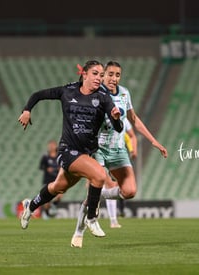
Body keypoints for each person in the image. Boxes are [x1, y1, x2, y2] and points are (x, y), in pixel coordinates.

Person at [18, 60, 123, 237]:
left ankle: (31, 206)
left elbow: (119, 127)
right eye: (95, 74)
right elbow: (38, 94)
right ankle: (91, 218)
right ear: (85, 74)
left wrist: (115, 118)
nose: (100, 78)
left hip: (86, 153)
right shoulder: (68, 91)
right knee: (99, 175)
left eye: (101, 74)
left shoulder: (104, 98)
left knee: (57, 188)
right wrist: (27, 110)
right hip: (67, 151)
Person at [71, 61, 168, 248]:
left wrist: (153, 140)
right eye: (110, 74)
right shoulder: (95, 92)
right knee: (97, 182)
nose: (113, 78)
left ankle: (97, 196)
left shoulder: (124, 93)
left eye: (117, 75)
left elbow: (134, 119)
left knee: (130, 191)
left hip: (119, 150)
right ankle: (79, 232)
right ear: (103, 74)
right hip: (98, 148)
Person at [105, 118, 137, 228]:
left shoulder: (123, 119)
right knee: (110, 185)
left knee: (119, 187)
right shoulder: (103, 115)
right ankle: (112, 220)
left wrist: (133, 150)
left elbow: (129, 136)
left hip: (118, 157)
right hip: (104, 154)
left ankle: (94, 199)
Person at [39, 140, 61, 218]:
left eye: (53, 145)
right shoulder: (45, 157)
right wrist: (47, 168)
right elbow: (41, 166)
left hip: (57, 179)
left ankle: (53, 205)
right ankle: (47, 213)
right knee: (46, 199)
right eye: (50, 145)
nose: (51, 146)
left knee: (60, 195)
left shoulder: (59, 156)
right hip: (47, 180)